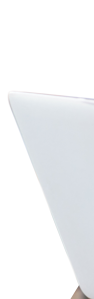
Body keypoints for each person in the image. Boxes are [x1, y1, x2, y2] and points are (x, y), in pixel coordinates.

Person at [3, 58, 65, 256]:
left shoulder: (68, 132)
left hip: (56, 225)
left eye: (45, 90)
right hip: (14, 221)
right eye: (28, 90)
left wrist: (23, 175)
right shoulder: (5, 132)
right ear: (9, 96)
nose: (36, 98)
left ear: (60, 93)